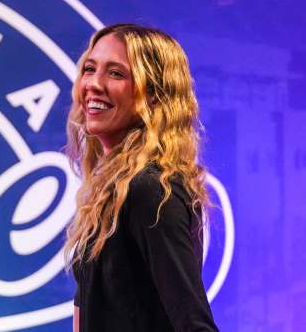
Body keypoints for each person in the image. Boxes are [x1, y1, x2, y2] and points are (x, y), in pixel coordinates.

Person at [64, 23, 219, 332]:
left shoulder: (150, 190)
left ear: (154, 96)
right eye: (90, 69)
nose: (93, 84)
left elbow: (193, 323)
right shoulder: (110, 188)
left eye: (116, 73)